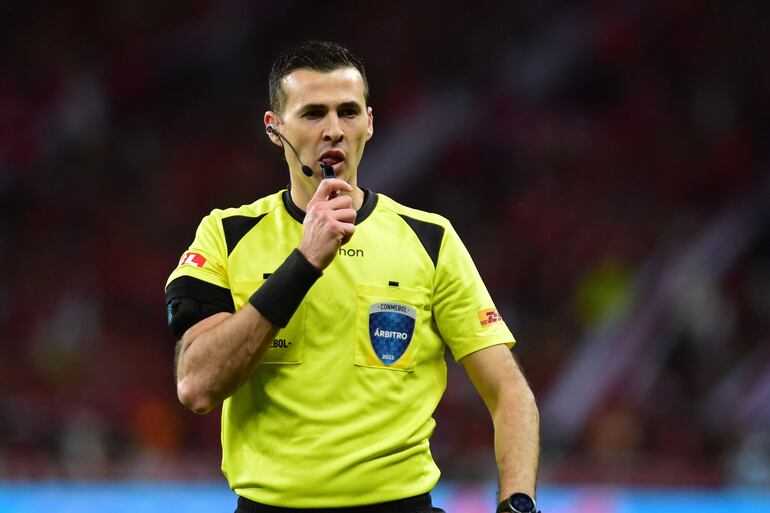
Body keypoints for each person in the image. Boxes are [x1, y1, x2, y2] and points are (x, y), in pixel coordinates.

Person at [165, 40, 540, 513]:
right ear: (275, 129)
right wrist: (303, 263)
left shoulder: (429, 238)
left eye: (347, 112)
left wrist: (518, 503)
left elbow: (509, 391)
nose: (333, 130)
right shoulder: (226, 234)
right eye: (312, 114)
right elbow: (196, 387)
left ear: (369, 122)